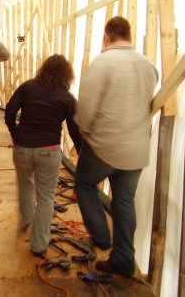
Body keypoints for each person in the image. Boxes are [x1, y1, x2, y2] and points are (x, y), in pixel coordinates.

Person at [75, 16, 158, 276]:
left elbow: (86, 106)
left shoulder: (103, 62)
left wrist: (84, 128)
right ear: (129, 36)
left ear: (107, 36)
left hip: (105, 146)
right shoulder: (148, 66)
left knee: (85, 185)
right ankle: (123, 258)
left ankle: (101, 237)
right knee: (125, 201)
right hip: (136, 149)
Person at [5, 54, 82, 258]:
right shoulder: (67, 98)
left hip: (22, 148)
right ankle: (38, 245)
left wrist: (16, 135)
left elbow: (9, 112)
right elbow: (75, 130)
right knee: (46, 197)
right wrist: (82, 154)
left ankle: (26, 219)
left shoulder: (27, 87)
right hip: (49, 151)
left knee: (25, 184)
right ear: (67, 75)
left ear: (43, 69)